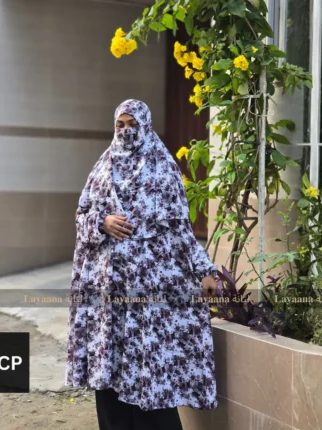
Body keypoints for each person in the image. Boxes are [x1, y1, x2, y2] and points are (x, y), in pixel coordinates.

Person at [65, 99, 218, 430]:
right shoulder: (102, 168)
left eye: (133, 125)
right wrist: (103, 222)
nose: (126, 131)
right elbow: (81, 216)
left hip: (148, 290)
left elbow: (180, 229)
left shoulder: (163, 168)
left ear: (146, 127)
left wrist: (204, 269)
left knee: (148, 370)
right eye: (120, 125)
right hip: (108, 292)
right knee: (110, 370)